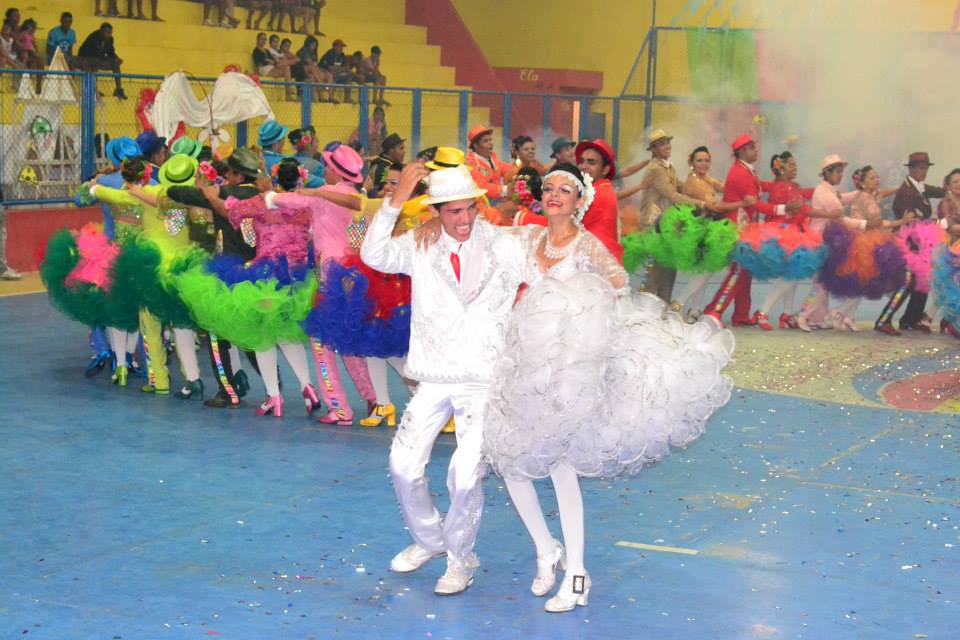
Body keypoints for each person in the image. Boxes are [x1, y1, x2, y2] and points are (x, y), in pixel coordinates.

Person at [482, 163, 734, 612]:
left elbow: (618, 289)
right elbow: (480, 237)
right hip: (523, 366)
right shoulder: (527, 237)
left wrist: (584, 327)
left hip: (569, 375)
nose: (554, 194)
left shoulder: (587, 246)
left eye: (565, 189)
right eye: (548, 188)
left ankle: (577, 572)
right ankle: (546, 549)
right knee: (511, 461)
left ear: (580, 201)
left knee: (561, 468)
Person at [361, 162, 522, 596]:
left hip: (485, 378)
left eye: (470, 208)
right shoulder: (421, 243)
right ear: (435, 212)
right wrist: (397, 199)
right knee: (402, 464)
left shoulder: (506, 244)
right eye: (453, 211)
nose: (464, 219)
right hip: (434, 375)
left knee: (465, 475)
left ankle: (460, 559)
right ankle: (431, 540)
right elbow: (373, 254)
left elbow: (550, 266)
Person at [185, 157, 319, 417]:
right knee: (287, 333)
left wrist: (211, 195)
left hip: (267, 276)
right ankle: (307, 386)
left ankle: (274, 397)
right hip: (298, 277)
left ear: (275, 179)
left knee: (262, 336)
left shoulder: (263, 201)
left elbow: (232, 212)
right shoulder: (305, 203)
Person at [165, 148, 266, 408]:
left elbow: (177, 192)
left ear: (235, 174)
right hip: (256, 272)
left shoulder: (224, 194)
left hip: (227, 273)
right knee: (253, 335)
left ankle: (227, 391)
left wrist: (207, 190)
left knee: (216, 334)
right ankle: (273, 388)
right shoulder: (263, 195)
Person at [703, 134, 802, 327]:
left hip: (745, 225)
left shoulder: (747, 170)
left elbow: (760, 187)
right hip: (737, 227)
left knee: (745, 271)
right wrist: (782, 208)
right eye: (752, 148)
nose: (756, 150)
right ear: (742, 151)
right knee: (738, 272)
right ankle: (713, 311)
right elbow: (754, 203)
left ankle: (740, 315)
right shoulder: (740, 173)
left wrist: (783, 183)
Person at [636, 129, 713, 303]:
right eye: (661, 144)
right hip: (654, 225)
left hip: (667, 224)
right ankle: (645, 308)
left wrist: (700, 189)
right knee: (656, 270)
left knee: (669, 268)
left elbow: (681, 187)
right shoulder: (655, 169)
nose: (667, 146)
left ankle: (663, 305)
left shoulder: (668, 166)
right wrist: (700, 203)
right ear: (653, 149)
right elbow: (672, 195)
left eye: (667, 142)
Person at [874, 152, 946, 334]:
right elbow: (913, 223)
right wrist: (939, 222)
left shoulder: (919, 187)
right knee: (906, 282)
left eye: (926, 168)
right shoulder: (906, 192)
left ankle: (910, 319)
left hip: (919, 244)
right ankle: (883, 320)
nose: (924, 171)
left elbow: (940, 191)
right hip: (907, 244)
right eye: (921, 168)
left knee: (922, 280)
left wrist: (953, 189)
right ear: (912, 169)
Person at [794, 155, 862, 332]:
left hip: (826, 240)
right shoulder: (824, 192)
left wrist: (860, 193)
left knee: (822, 283)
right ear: (827, 173)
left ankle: (816, 318)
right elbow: (840, 214)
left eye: (841, 172)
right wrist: (864, 224)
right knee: (822, 284)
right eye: (838, 172)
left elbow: (842, 198)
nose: (840, 175)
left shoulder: (828, 190)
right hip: (821, 242)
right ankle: (803, 316)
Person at [575, 138, 624, 262]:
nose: (583, 167)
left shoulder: (598, 194)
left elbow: (564, 226)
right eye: (581, 161)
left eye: (591, 162)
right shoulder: (598, 189)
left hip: (595, 265)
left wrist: (526, 216)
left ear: (605, 169)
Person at [77, 23, 126, 99]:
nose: (109, 35)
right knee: (95, 61)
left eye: (111, 33)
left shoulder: (110, 39)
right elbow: (89, 53)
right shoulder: (93, 37)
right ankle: (94, 89)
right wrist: (104, 57)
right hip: (85, 59)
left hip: (99, 59)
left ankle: (118, 90)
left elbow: (110, 52)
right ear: (101, 31)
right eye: (108, 32)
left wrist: (116, 58)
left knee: (115, 62)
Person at [465, 124, 512, 203]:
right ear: (475, 145)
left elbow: (508, 169)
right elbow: (481, 186)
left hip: (497, 199)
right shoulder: (471, 163)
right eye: (485, 141)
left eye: (490, 140)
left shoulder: (492, 158)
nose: (490, 143)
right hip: (482, 203)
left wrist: (524, 171)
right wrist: (505, 189)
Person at [292, 35, 335, 103]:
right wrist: (319, 73)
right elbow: (310, 63)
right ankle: (317, 98)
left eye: (315, 45)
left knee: (329, 75)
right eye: (312, 45)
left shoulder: (313, 52)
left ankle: (330, 97)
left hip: (314, 70)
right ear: (308, 44)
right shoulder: (303, 51)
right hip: (304, 71)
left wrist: (321, 72)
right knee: (312, 77)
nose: (314, 47)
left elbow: (315, 64)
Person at [368, 133, 405, 197]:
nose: (404, 151)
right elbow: (382, 193)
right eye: (401, 148)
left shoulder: (377, 161)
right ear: (391, 151)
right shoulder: (388, 168)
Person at [319, 38, 353, 103]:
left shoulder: (342, 55)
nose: (342, 48)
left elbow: (344, 67)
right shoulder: (329, 54)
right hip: (329, 75)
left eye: (342, 47)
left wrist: (341, 69)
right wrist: (337, 69)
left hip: (338, 74)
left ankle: (347, 99)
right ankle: (331, 98)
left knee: (348, 78)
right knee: (333, 77)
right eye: (340, 47)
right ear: (335, 47)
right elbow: (325, 66)